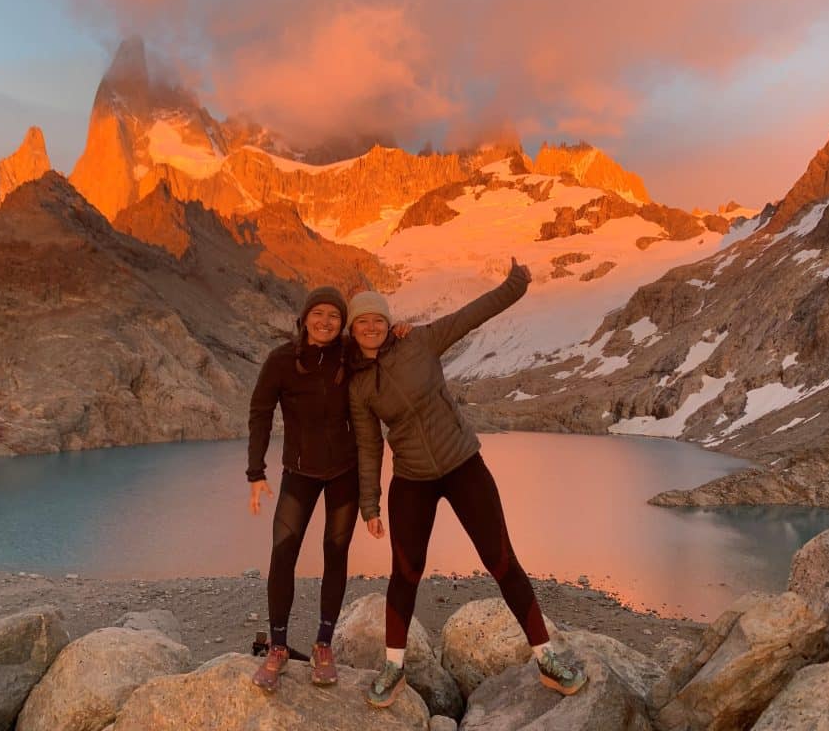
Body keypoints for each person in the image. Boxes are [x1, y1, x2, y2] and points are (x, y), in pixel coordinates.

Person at [347, 258, 588, 708]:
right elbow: (368, 446)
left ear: (388, 321)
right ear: (353, 328)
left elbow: (470, 315)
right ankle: (394, 668)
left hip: (462, 464)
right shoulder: (358, 385)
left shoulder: (419, 340)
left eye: (378, 319)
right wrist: (370, 505)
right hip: (412, 478)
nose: (372, 327)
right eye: (363, 322)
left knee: (501, 561)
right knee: (405, 572)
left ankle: (548, 660)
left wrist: (515, 284)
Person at [246, 286, 409, 692]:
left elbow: (381, 345)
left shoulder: (349, 354)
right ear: (304, 318)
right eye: (318, 313)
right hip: (298, 473)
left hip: (344, 473)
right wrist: (255, 472)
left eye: (333, 316)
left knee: (335, 554)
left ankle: (323, 644)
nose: (325, 321)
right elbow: (260, 414)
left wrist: (401, 332)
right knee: (283, 554)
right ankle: (278, 647)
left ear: (342, 323)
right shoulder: (281, 360)